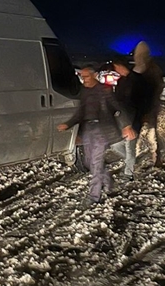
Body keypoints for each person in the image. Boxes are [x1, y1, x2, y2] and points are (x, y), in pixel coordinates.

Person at [58, 62, 135, 202]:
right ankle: (108, 182)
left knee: (96, 162)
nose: (84, 79)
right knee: (89, 162)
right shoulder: (85, 92)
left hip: (102, 129)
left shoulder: (104, 90)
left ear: (94, 75)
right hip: (88, 130)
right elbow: (80, 112)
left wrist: (126, 125)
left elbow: (118, 108)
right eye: (82, 76)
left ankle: (94, 196)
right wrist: (68, 124)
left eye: (87, 76)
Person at [108, 53, 152, 181]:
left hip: (133, 119)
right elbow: (117, 101)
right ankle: (131, 161)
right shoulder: (121, 81)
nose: (115, 70)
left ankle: (128, 174)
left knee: (130, 146)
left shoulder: (138, 81)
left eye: (116, 67)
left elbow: (144, 101)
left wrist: (144, 116)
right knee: (115, 143)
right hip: (122, 118)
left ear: (121, 66)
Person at [132, 40, 165, 165]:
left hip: (148, 108)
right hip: (141, 108)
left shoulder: (148, 69)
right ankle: (142, 156)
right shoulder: (144, 69)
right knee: (145, 133)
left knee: (150, 134)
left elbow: (156, 88)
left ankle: (155, 156)